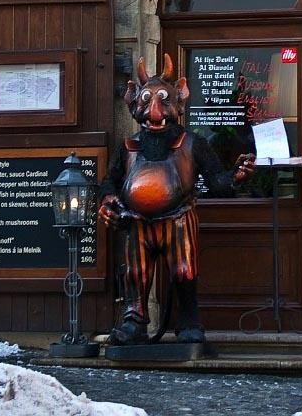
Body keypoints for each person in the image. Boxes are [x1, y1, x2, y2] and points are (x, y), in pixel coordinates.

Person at [98, 54, 254, 345]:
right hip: (137, 223)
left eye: (163, 102)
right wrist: (108, 199)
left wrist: (235, 176)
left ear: (180, 101)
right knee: (135, 273)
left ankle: (189, 322)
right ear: (133, 104)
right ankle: (134, 322)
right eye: (146, 102)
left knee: (184, 272)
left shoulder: (193, 144)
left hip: (178, 220)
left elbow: (216, 182)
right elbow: (110, 179)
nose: (155, 113)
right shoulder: (128, 147)